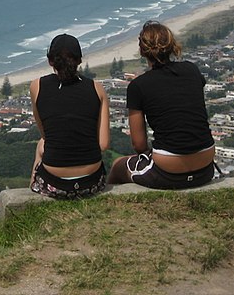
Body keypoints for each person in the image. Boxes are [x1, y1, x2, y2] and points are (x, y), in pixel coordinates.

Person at [108, 21, 217, 189]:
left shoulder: (138, 86)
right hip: (206, 165)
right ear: (172, 45)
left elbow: (139, 145)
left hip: (168, 171)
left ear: (143, 51)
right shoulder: (191, 70)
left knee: (117, 165)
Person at [30, 34, 111, 199]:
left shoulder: (37, 86)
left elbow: (45, 134)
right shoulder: (97, 89)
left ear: (50, 61)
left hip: (54, 183)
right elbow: (103, 144)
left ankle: (34, 189)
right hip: (92, 182)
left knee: (41, 145)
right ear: (79, 61)